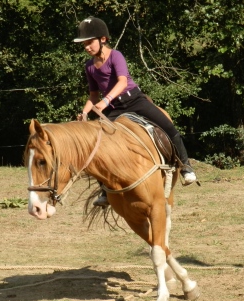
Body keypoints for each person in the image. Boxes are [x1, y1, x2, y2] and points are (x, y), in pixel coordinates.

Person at [73, 16, 197, 206]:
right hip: (113, 108)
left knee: (168, 127)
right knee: (98, 144)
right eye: (84, 44)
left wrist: (105, 101)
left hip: (134, 100)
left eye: (89, 42)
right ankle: (105, 189)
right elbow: (93, 95)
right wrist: (84, 113)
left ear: (103, 39)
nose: (87, 47)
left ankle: (186, 167)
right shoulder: (89, 66)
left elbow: (122, 82)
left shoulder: (116, 56)